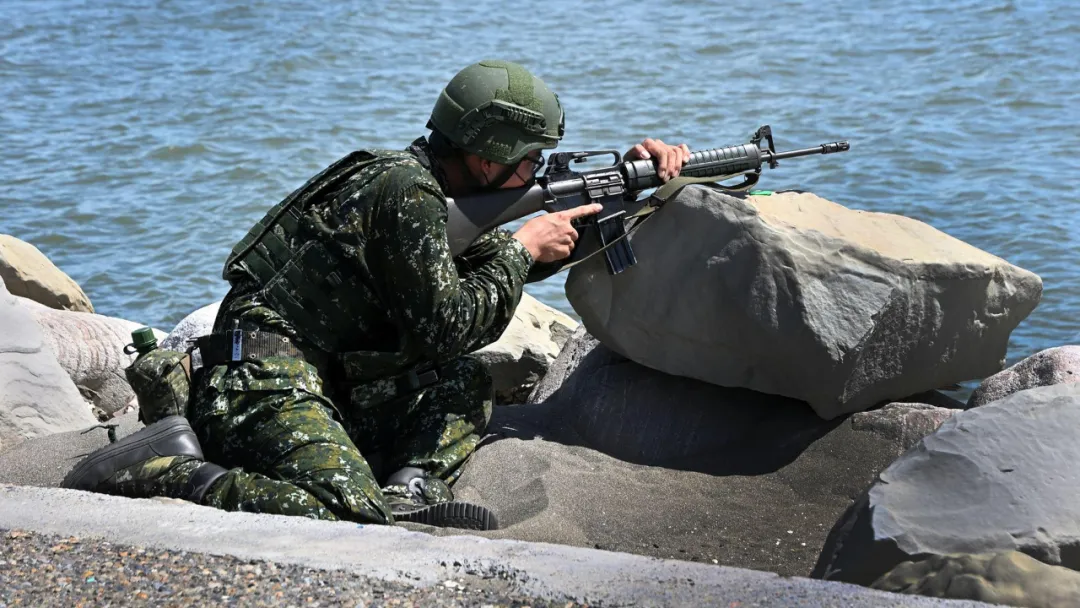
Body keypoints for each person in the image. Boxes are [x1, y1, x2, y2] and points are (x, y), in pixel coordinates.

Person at [62, 60, 691, 530]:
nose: (536, 171)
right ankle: (170, 470)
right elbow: (448, 323)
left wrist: (626, 187)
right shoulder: (404, 194)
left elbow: (459, 299)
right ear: (485, 157)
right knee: (340, 512)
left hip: (321, 374)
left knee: (461, 383)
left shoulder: (425, 190)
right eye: (530, 159)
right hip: (258, 376)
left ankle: (408, 488)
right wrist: (520, 249)